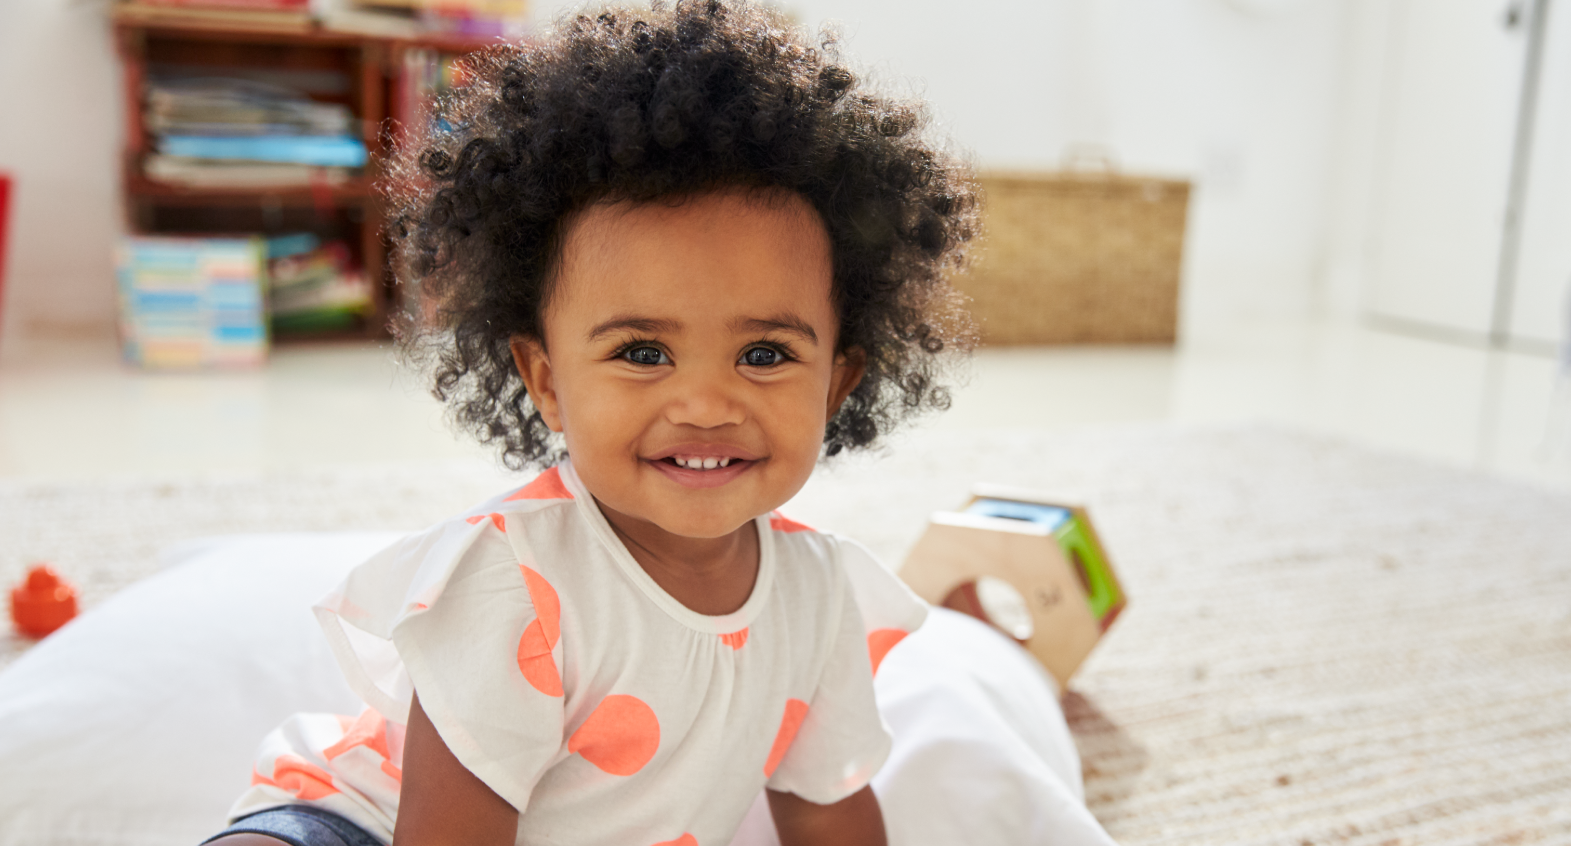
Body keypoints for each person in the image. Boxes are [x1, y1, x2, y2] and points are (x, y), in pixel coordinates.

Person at [204, 2, 977, 844]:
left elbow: (829, 813)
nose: (707, 406)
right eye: (643, 353)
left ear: (837, 383)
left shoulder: (821, 596)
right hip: (360, 825)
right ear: (545, 380)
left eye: (763, 354)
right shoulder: (514, 584)